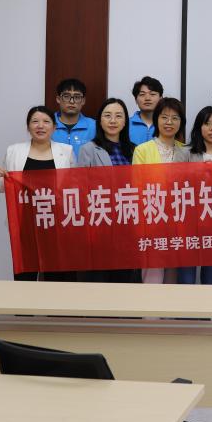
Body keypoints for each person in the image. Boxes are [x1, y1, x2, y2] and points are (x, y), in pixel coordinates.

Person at [0, 106, 75, 281]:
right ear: (28, 127)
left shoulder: (66, 151)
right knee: (24, 277)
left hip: (56, 224)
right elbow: (3, 187)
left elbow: (72, 188)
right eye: (35, 121)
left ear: (54, 127)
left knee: (57, 276)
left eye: (46, 121)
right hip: (24, 224)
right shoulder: (14, 151)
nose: (40, 126)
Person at [76, 98, 139, 283]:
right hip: (100, 220)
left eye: (118, 116)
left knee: (124, 274)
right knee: (99, 275)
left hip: (127, 221)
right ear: (100, 120)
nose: (113, 120)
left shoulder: (134, 149)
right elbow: (81, 188)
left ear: (125, 121)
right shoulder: (88, 149)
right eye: (107, 115)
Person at [132, 97, 189, 284]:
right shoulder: (142, 150)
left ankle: (170, 306)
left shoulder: (187, 150)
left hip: (179, 220)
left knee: (173, 273)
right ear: (156, 119)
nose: (169, 122)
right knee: (152, 274)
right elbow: (137, 188)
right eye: (164, 117)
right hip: (152, 220)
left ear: (181, 122)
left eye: (175, 118)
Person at [178, 106, 212, 286]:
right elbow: (175, 186)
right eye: (207, 124)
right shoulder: (184, 153)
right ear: (199, 127)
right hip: (189, 223)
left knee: (211, 277)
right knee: (186, 276)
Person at [52, 78, 96, 158]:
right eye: (66, 96)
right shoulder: (47, 124)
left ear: (83, 101)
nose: (72, 101)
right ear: (58, 99)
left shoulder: (94, 126)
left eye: (77, 97)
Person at [128, 76, 163, 145]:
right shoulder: (125, 124)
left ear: (161, 99)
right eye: (142, 94)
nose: (147, 98)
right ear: (136, 100)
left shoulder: (167, 124)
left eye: (152, 94)